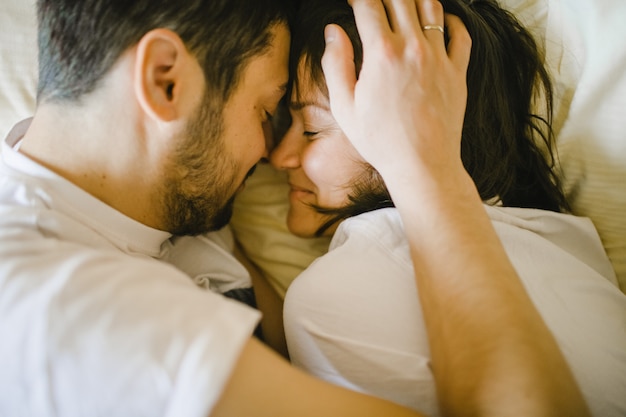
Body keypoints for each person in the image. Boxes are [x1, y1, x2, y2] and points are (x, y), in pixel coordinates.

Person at [0, 0, 591, 416]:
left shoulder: (158, 206)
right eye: (267, 112)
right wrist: (426, 162)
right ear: (164, 81)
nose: (268, 154)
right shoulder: (59, 310)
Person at [270, 0, 626, 416]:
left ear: (422, 120)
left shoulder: (329, 293)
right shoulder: (567, 244)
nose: (279, 157)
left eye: (311, 129)